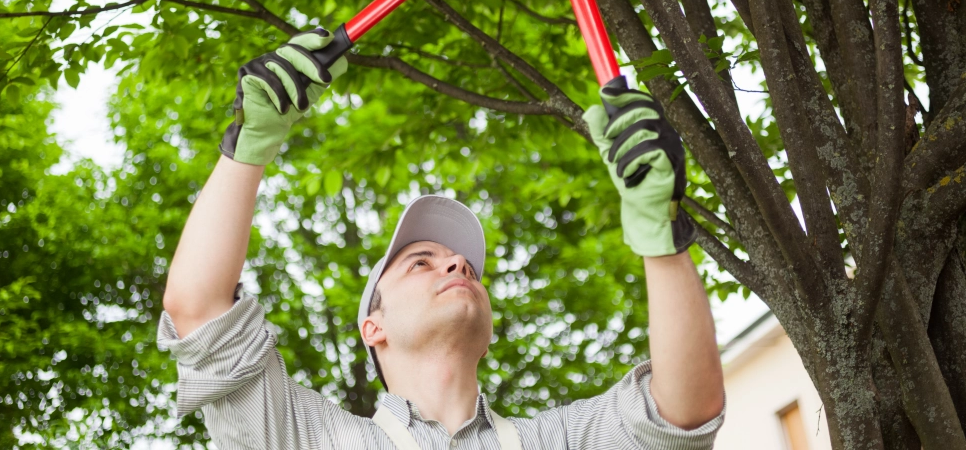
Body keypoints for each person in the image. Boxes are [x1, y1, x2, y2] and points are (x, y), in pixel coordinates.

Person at [158, 30, 725, 449]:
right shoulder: (312, 439)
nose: (456, 264)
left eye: (466, 268)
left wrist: (661, 236)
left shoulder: (558, 440)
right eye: (421, 263)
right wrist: (249, 146)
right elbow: (199, 312)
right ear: (371, 328)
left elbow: (684, 413)